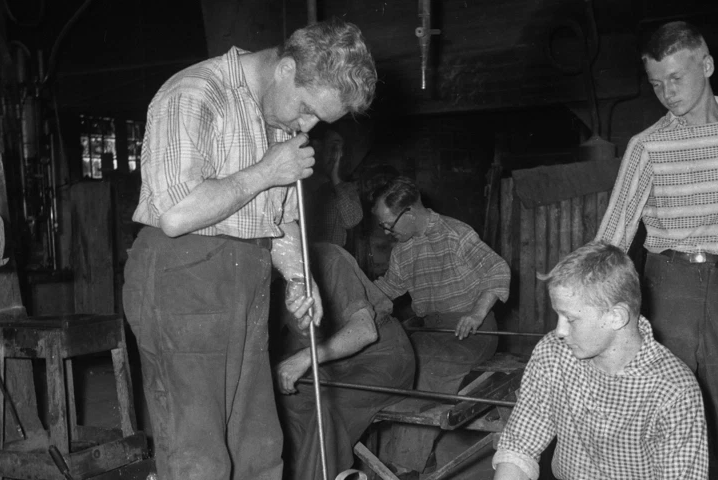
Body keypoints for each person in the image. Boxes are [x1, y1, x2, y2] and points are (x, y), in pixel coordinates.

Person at [122, 19, 377, 480]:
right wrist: (264, 172)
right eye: (307, 109)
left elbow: (276, 220)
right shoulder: (195, 92)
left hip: (247, 280)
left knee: (258, 447)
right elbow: (176, 213)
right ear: (284, 69)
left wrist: (301, 275)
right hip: (183, 279)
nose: (308, 125)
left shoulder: (276, 114)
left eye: (320, 119)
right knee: (199, 455)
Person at [595, 20, 718, 480]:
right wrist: (588, 310)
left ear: (706, 65)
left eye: (676, 78)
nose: (667, 92)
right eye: (655, 83)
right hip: (668, 291)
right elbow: (613, 237)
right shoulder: (647, 146)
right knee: (660, 419)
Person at [493, 241, 708, 480]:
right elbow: (519, 445)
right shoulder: (553, 353)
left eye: (570, 319)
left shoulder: (674, 390)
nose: (559, 331)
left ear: (616, 317)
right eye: (558, 315)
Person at [370, 176, 511, 475]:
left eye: (388, 224)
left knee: (427, 369)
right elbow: (389, 287)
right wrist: (355, 299)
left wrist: (476, 313)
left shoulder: (456, 233)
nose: (385, 231)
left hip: (473, 330)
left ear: (409, 212)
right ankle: (399, 456)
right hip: (430, 330)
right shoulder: (403, 249)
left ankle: (404, 466)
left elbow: (497, 269)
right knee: (393, 361)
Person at [273, 242, 415, 480]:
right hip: (331, 363)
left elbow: (365, 331)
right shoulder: (265, 277)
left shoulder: (326, 258)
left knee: (328, 406)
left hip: (382, 357)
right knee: (288, 400)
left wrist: (304, 358)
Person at [305, 128, 363, 247]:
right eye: (334, 147)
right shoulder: (305, 183)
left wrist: (335, 177)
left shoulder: (346, 188)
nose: (337, 155)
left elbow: (351, 221)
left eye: (340, 150)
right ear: (318, 147)